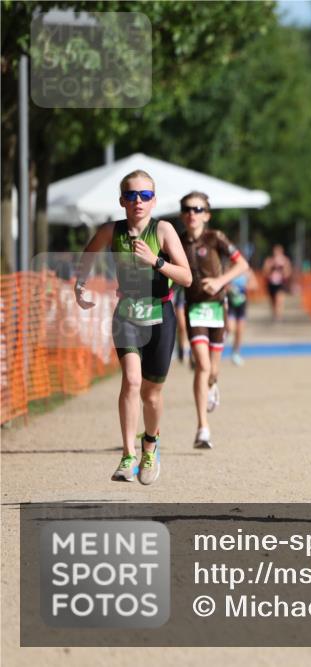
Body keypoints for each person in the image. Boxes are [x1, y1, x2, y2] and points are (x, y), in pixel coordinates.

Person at [74, 169, 192, 484]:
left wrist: (156, 261)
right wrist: (80, 284)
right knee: (131, 381)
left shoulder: (164, 230)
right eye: (131, 195)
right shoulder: (111, 231)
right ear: (122, 201)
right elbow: (88, 254)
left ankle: (150, 445)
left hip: (160, 314)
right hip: (126, 312)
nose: (138, 201)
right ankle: (128, 457)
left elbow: (187, 276)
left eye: (145, 195)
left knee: (152, 394)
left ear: (153, 201)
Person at [179, 192, 249, 449]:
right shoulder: (176, 241)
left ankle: (213, 384)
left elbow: (242, 264)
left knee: (213, 370)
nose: (192, 214)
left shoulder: (215, 237)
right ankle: (202, 427)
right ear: (181, 214)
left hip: (218, 308)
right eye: (187, 209)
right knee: (202, 365)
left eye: (198, 209)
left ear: (207, 215)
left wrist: (220, 282)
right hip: (195, 308)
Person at [226, 269, 254, 366]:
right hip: (230, 304)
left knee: (240, 331)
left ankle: (235, 353)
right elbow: (223, 284)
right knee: (230, 328)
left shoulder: (247, 271)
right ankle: (223, 338)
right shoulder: (228, 271)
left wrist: (243, 286)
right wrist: (230, 288)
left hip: (242, 304)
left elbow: (254, 284)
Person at [262, 244, 292, 322]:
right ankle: (274, 314)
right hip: (271, 283)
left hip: (281, 283)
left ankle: (278, 316)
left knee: (279, 300)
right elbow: (265, 272)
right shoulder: (269, 260)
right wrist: (272, 267)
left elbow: (288, 273)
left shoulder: (285, 260)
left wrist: (282, 269)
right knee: (272, 300)